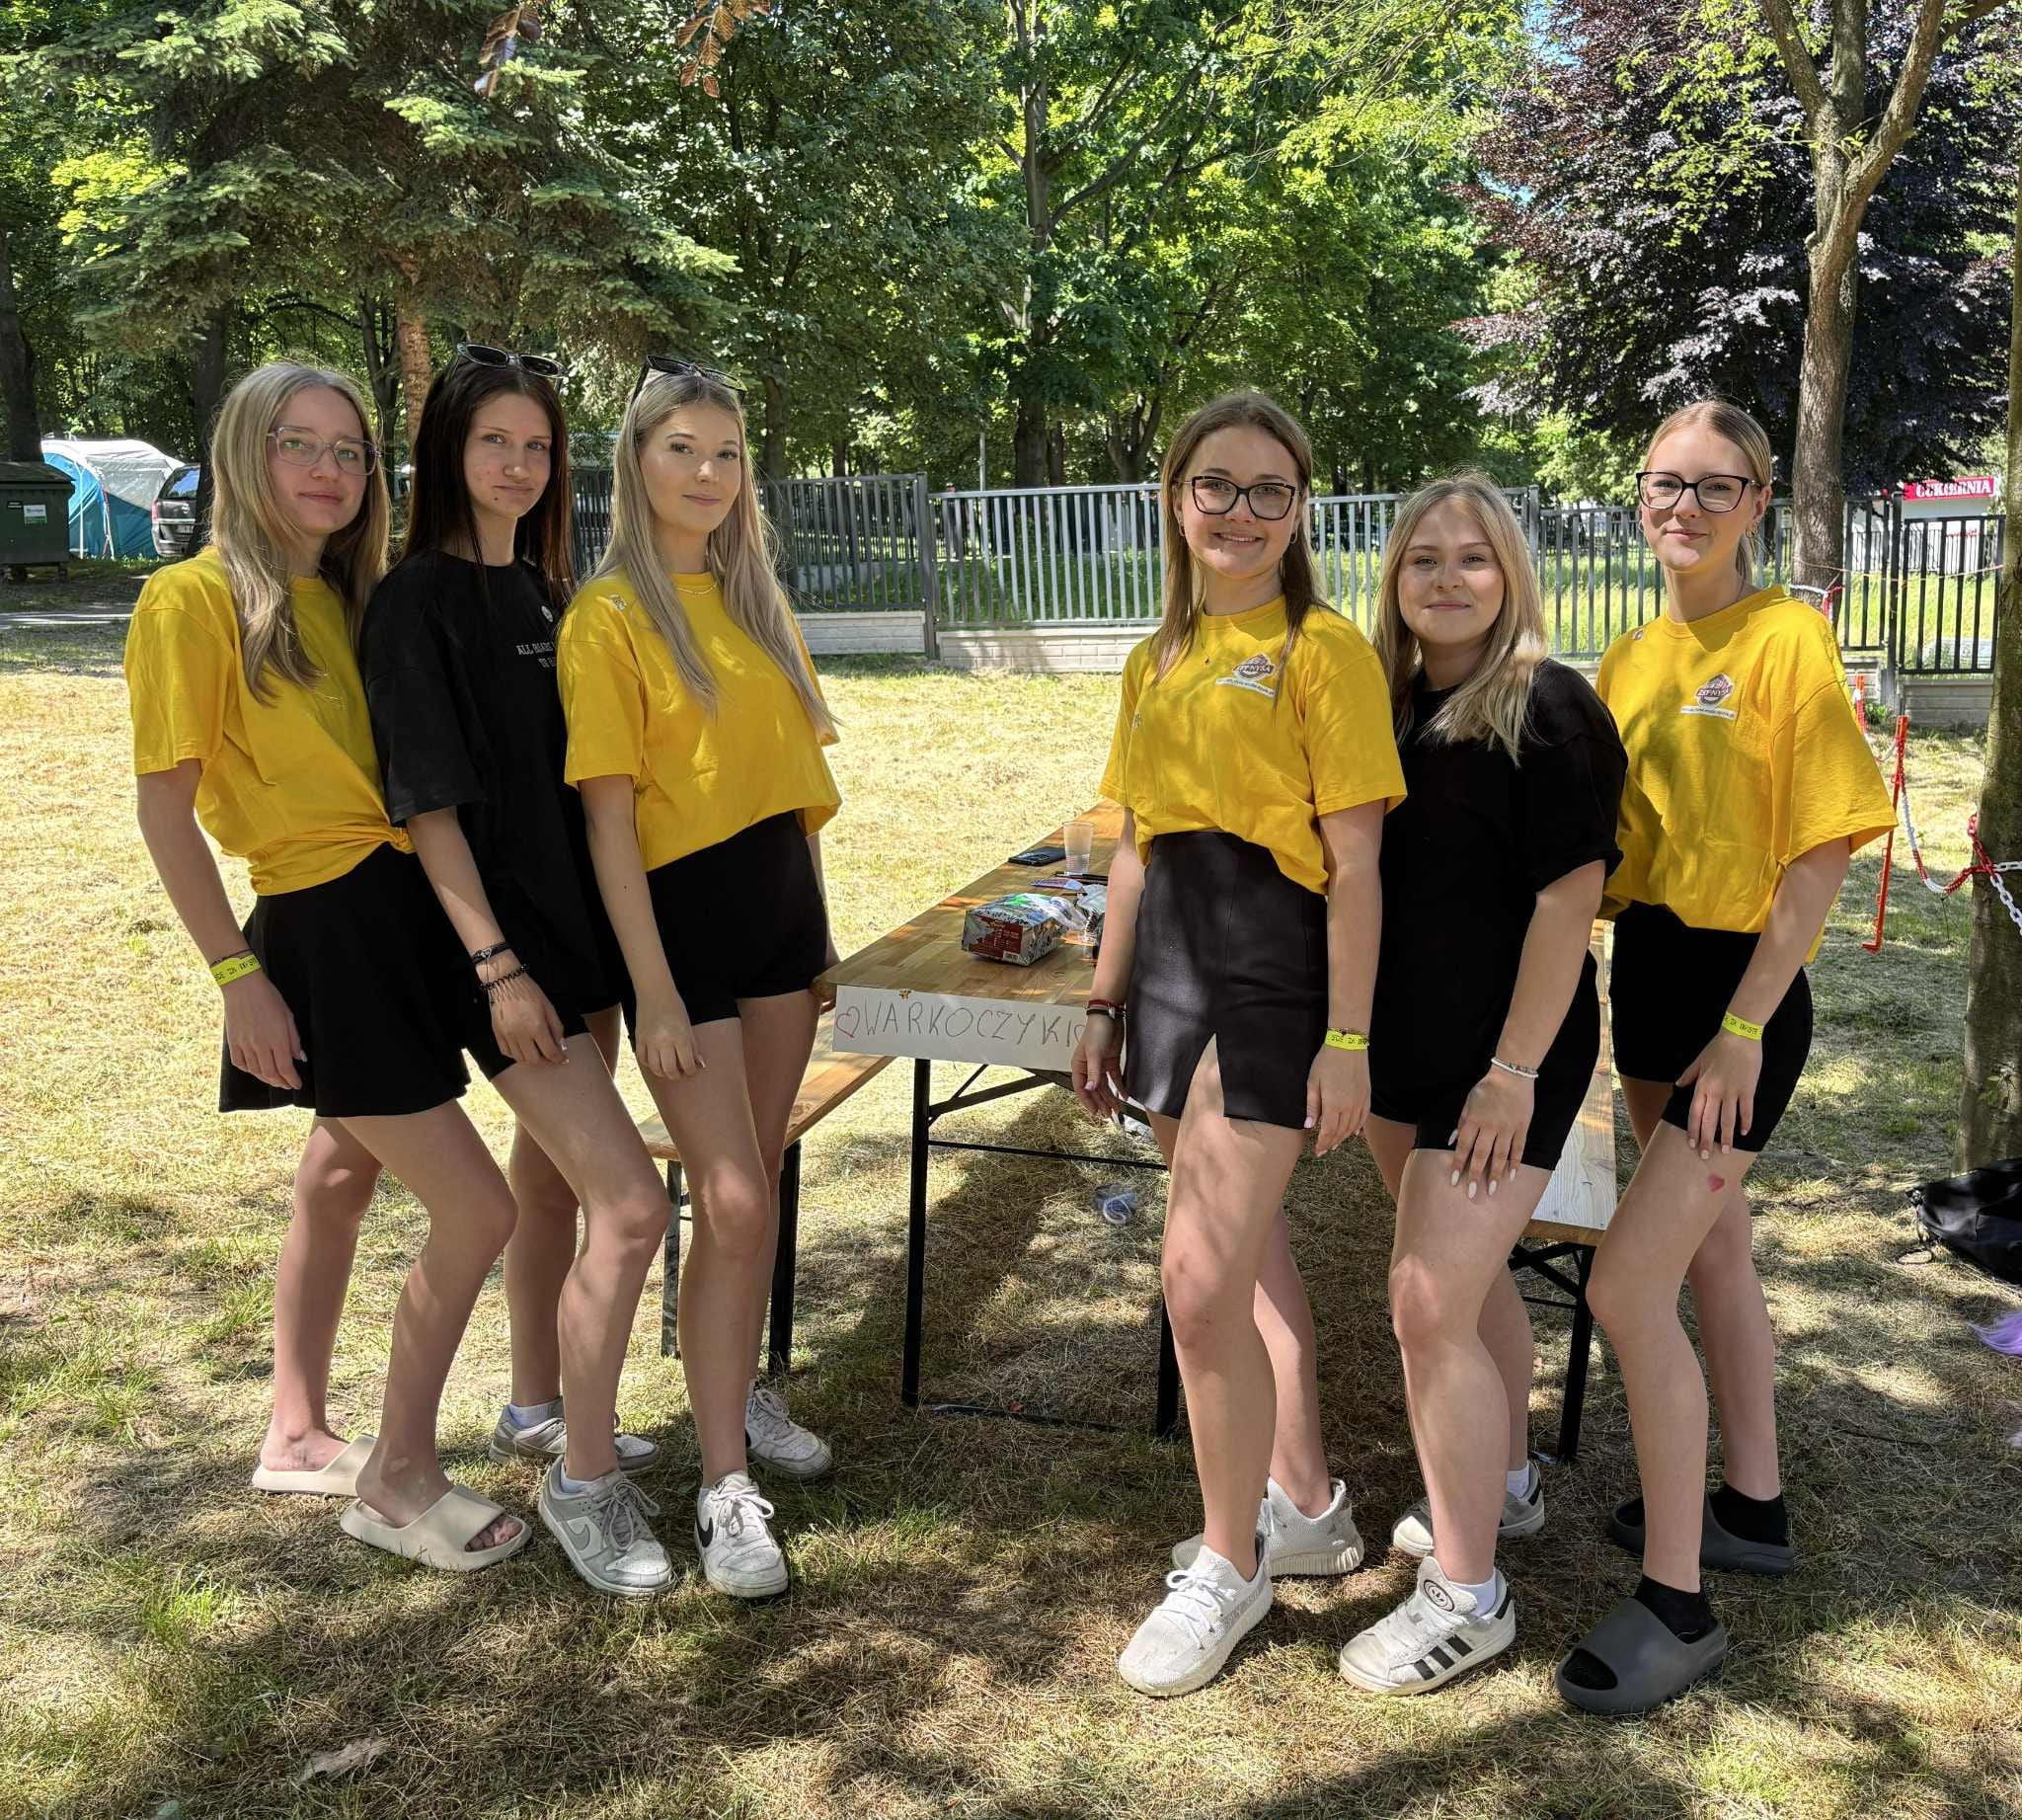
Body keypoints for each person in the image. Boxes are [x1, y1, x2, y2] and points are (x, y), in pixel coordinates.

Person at [124, 359, 527, 1570]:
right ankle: (397, 1477)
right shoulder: (192, 600)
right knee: (480, 1206)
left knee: (341, 1173)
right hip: (324, 926)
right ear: (244, 454)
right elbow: (165, 811)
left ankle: (296, 1431)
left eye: (348, 450)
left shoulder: (355, 601)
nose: (327, 469)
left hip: (404, 913)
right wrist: (234, 976)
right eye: (297, 443)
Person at [1555, 400, 1893, 1714]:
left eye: (1714, 484)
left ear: (1757, 500)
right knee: (1711, 1250)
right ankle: (1751, 1500)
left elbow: (1819, 849)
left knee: (1626, 1284)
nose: (1683, 506)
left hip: (1735, 1002)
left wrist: (1744, 1026)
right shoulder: (1628, 656)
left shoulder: (1785, 637)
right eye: (1663, 482)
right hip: (1648, 975)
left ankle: (1679, 1604)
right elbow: (1602, 850)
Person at [1070, 389, 1405, 1698]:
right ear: (1175, 498)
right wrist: (1103, 1001)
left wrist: (1348, 1035)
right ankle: (1304, 1503)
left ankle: (1229, 1562)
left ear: (1301, 508)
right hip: (1168, 964)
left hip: (1276, 968)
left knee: (1197, 1283)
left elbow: (1359, 866)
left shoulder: (1324, 650)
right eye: (1217, 484)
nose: (1242, 511)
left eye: (1272, 489)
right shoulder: (1155, 656)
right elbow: (1135, 842)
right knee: (1247, 1262)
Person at [360, 348, 677, 1596]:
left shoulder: (550, 595)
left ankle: (538, 1405)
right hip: (498, 961)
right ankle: (582, 1482)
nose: (518, 464)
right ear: (447, 449)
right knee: (632, 1205)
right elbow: (429, 808)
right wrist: (496, 968)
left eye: (538, 445)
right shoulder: (414, 602)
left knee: (551, 1192)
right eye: (494, 440)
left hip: (579, 946)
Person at [558, 358, 842, 1601]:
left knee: (753, 1189)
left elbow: (794, 798)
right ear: (636, 460)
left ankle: (733, 1401)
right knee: (727, 1197)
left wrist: (819, 939)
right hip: (684, 935)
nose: (707, 473)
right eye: (681, 448)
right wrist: (654, 991)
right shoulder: (608, 616)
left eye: (726, 453)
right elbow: (608, 823)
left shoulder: (754, 602)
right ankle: (723, 1484)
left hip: (779, 923)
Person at [1337, 474, 1625, 1694]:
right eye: (1422, 559)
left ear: (1510, 574)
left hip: (1504, 1059)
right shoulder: (1386, 703)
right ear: (1392, 578)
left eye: (1471, 557)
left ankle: (1467, 1596)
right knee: (1461, 1285)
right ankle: (1503, 1482)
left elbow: (1569, 901)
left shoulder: (1547, 706)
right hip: (1401, 1049)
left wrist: (1509, 1075)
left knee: (1422, 1301)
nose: (1445, 578)